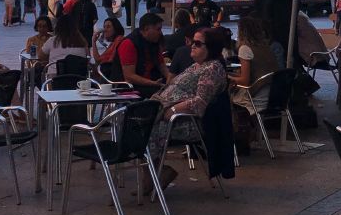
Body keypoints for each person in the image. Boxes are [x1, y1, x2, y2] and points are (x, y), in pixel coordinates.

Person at [148, 25, 231, 191]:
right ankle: (153, 174)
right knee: (132, 122)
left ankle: (153, 176)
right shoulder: (196, 65)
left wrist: (172, 110)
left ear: (210, 48)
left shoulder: (212, 68)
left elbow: (200, 102)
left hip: (189, 122)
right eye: (193, 42)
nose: (192, 45)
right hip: (171, 115)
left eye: (198, 43)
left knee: (142, 129)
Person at [228, 16, 278, 116]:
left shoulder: (245, 48)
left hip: (257, 97)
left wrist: (228, 77)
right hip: (274, 95)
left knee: (225, 98)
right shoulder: (266, 47)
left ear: (241, 32)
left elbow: (245, 81)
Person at [118, 12, 170, 97]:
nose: (161, 33)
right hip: (131, 87)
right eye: (158, 29)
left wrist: (171, 79)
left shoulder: (154, 42)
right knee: (164, 95)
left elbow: (162, 65)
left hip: (151, 83)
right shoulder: (129, 43)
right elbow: (129, 76)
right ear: (146, 29)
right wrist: (153, 83)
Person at [93, 17, 126, 82]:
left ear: (115, 29)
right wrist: (93, 41)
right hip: (108, 74)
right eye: (104, 27)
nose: (104, 30)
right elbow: (98, 59)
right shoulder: (112, 43)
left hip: (112, 77)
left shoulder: (119, 40)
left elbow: (111, 60)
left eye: (108, 27)